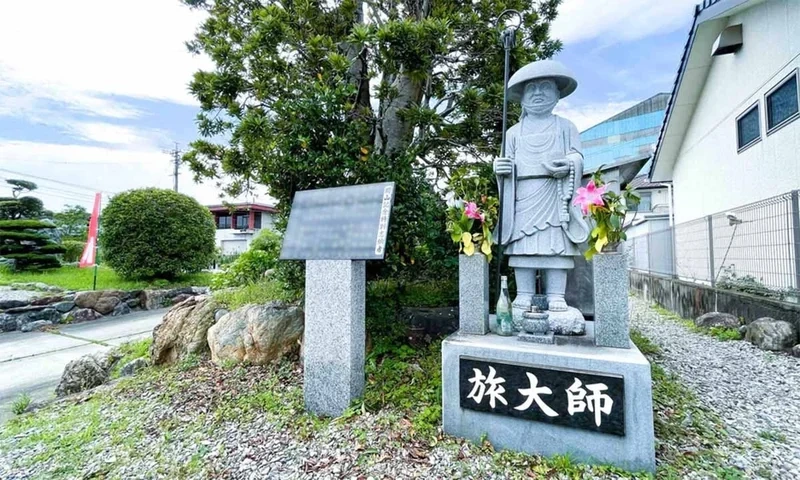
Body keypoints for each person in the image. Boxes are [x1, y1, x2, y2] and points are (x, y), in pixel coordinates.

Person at [494, 60, 589, 319]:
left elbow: (578, 157)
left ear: (557, 93)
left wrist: (569, 164)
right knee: (523, 245)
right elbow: (506, 161)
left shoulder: (565, 127)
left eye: (545, 87)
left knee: (554, 244)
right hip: (523, 194)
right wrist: (500, 167)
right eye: (531, 89)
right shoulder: (513, 133)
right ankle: (523, 294)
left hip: (554, 191)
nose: (537, 94)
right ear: (522, 97)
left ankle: (556, 295)